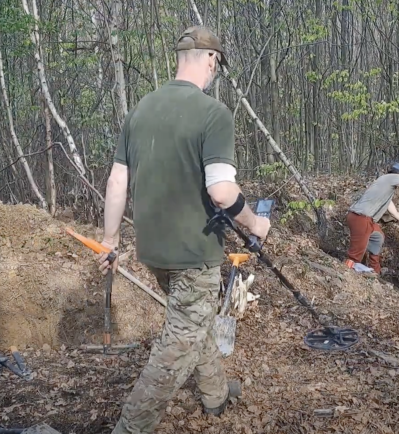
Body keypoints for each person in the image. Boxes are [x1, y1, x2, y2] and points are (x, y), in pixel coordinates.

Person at [96, 25, 271, 434]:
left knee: (194, 322)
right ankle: (130, 427)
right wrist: (257, 222)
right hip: (194, 251)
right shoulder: (213, 113)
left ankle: (214, 394)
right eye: (217, 65)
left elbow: (116, 182)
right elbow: (223, 192)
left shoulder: (140, 109)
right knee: (175, 347)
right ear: (211, 60)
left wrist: (109, 241)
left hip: (154, 250)